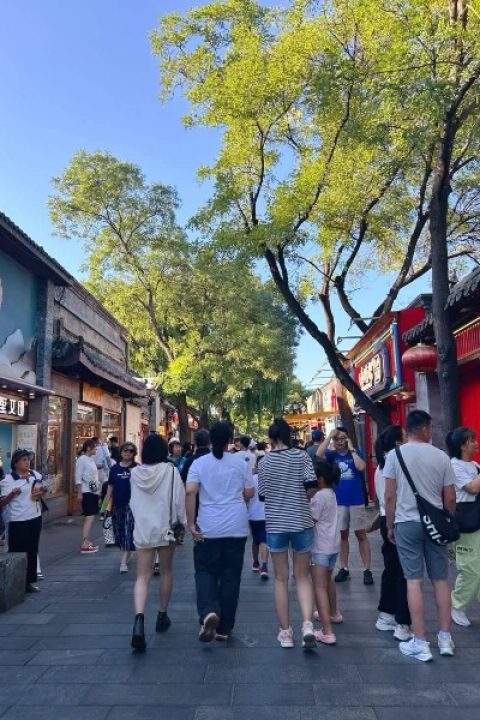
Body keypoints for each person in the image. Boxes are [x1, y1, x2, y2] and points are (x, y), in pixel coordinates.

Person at [384, 409, 456, 661]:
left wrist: (390, 525)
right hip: (435, 524)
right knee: (441, 580)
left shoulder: (395, 455)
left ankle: (420, 641)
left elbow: (389, 495)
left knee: (413, 581)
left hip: (407, 523)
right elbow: (450, 497)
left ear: (407, 430)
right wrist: (447, 518)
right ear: (425, 429)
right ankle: (445, 638)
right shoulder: (442, 457)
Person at [186, 422, 254, 642]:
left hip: (209, 526)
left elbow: (190, 492)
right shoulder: (240, 462)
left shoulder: (199, 463)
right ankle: (225, 628)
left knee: (205, 571)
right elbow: (249, 492)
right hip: (236, 526)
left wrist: (191, 524)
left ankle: (209, 611)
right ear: (229, 440)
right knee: (231, 576)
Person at [258, 417, 317, 649]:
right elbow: (311, 485)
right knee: (302, 576)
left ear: (271, 438)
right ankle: (307, 625)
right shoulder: (302, 456)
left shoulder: (264, 462)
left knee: (281, 578)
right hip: (301, 521)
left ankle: (286, 633)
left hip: (276, 525)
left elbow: (262, 495)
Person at [129, 433, 186, 650]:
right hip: (166, 528)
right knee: (166, 571)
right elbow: (178, 499)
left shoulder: (134, 473)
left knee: (142, 577)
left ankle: (138, 620)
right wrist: (184, 522)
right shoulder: (170, 470)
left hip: (143, 529)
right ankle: (162, 615)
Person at [317, 427, 373, 585]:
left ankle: (367, 569)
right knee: (342, 535)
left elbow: (361, 467)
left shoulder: (355, 453)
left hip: (356, 500)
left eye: (343, 438)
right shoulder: (332, 455)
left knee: (361, 534)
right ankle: (344, 567)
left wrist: (352, 449)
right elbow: (319, 454)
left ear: (348, 439)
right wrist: (329, 437)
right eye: (337, 439)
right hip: (339, 501)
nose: (339, 442)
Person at [374, 425, 412, 641]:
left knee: (392, 569)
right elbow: (390, 497)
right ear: (398, 442)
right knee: (403, 573)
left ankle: (386, 614)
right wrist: (391, 525)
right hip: (396, 520)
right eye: (406, 437)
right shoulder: (394, 462)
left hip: (387, 519)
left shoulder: (383, 463)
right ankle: (402, 621)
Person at [446, 427, 480, 627]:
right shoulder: (454, 466)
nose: (476, 443)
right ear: (462, 445)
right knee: (470, 569)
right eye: (472, 440)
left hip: (477, 519)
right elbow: (473, 488)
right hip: (466, 522)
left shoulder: (475, 465)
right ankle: (457, 605)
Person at [0, 448, 45, 592]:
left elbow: (42, 488)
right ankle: (16, 583)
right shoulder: (7, 480)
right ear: (15, 463)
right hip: (18, 520)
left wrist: (42, 490)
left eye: (28, 460)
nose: (27, 463)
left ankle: (29, 582)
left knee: (32, 551)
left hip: (35, 517)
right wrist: (12, 495)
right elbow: (2, 503)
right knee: (18, 552)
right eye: (24, 460)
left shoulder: (34, 475)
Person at [309, 459, 342, 644]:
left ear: (320, 478)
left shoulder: (319, 497)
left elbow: (311, 519)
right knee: (328, 581)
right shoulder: (331, 493)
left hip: (320, 546)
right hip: (333, 545)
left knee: (319, 586)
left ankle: (326, 631)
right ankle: (333, 612)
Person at [105, 442, 137, 573]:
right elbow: (110, 486)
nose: (128, 453)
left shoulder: (137, 468)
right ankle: (128, 552)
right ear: (121, 452)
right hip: (117, 505)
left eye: (131, 451)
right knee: (119, 533)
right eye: (125, 450)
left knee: (127, 530)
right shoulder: (115, 469)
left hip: (132, 506)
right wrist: (106, 504)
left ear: (134, 454)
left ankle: (123, 561)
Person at [75, 438, 101, 554]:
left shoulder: (90, 459)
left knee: (91, 518)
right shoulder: (82, 459)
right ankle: (84, 543)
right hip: (87, 492)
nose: (96, 448)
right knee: (89, 517)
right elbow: (78, 476)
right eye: (94, 446)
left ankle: (87, 541)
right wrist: (79, 492)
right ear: (89, 448)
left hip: (93, 491)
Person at [248, 456, 269, 579]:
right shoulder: (271, 479)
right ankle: (264, 566)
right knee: (264, 540)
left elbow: (246, 495)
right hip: (267, 514)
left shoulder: (251, 479)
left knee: (256, 540)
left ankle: (256, 562)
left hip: (253, 514)